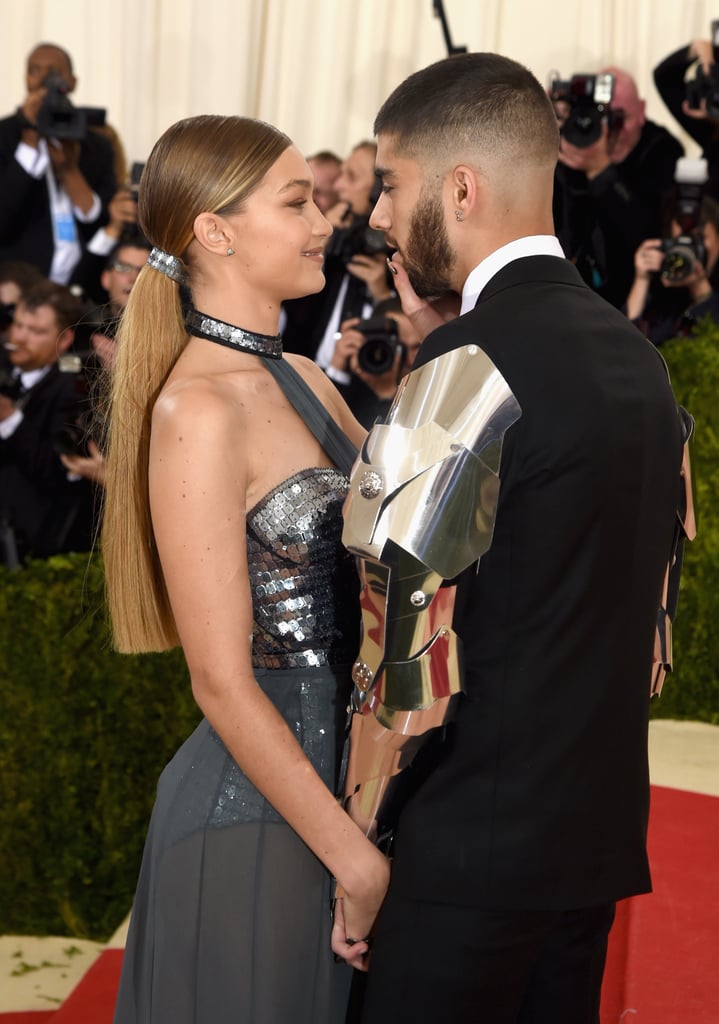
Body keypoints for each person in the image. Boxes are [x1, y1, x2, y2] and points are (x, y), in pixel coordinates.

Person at [334, 52, 688, 1023]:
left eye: (390, 183)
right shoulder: (636, 360)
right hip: (586, 843)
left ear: (459, 187)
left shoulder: (465, 365)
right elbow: (642, 617)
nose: (374, 214)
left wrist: (362, 841)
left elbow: (399, 653)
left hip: (461, 857)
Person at [103, 114, 389, 1024]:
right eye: (297, 200)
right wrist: (352, 857)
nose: (323, 221)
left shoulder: (305, 376)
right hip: (255, 817)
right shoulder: (196, 410)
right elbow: (221, 681)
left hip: (341, 784)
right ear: (214, 231)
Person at [554, 66, 683, 308]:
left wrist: (600, 171)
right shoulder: (570, 146)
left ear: (642, 111)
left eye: (619, 119)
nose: (609, 132)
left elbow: (647, 234)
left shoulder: (662, 151)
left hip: (639, 302)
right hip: (574, 299)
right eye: (600, 118)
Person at [0, 43, 116, 283]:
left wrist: (69, 170)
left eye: (53, 72)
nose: (44, 80)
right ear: (25, 79)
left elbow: (101, 223)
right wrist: (30, 139)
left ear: (72, 82)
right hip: (17, 284)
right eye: (35, 71)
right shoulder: (4, 136)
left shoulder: (96, 144)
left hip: (80, 286)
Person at [0, 278, 95, 563]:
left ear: (64, 339)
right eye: (17, 326)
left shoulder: (76, 390)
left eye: (35, 331)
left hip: (35, 555)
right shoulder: (6, 373)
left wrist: (10, 419)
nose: (19, 338)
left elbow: (59, 469)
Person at [626, 194, 719, 345]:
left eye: (698, 239)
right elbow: (624, 343)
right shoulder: (660, 304)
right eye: (680, 241)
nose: (688, 249)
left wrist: (700, 288)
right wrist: (642, 279)